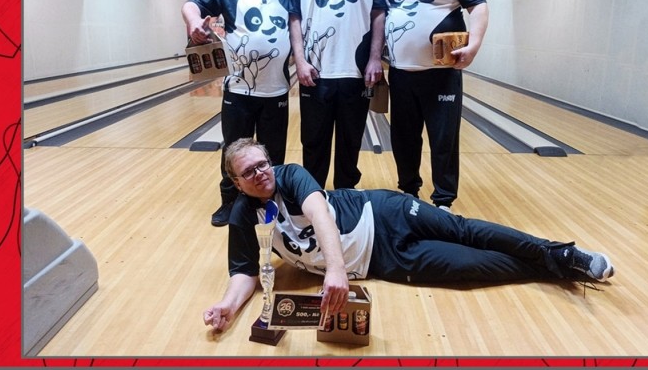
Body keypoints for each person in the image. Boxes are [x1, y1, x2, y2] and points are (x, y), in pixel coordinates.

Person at [202, 138, 615, 333]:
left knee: (463, 230)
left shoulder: (291, 175)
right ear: (236, 183)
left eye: (263, 163)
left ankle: (560, 254)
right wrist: (228, 306)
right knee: (470, 267)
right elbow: (245, 272)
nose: (262, 173)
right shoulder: (243, 215)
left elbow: (320, 214)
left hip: (383, 212)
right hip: (382, 261)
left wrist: (335, 270)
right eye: (249, 172)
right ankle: (551, 270)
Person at [381, 0, 490, 212]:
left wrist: (474, 45)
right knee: (404, 139)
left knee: (443, 140)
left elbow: (478, 6)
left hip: (441, 75)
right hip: (401, 74)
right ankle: (408, 191)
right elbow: (379, 15)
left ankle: (443, 201)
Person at [182, 0, 293, 227]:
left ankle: (271, 203)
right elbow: (192, 4)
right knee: (234, 151)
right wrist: (194, 22)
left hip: (277, 91)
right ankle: (230, 202)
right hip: (239, 91)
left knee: (273, 155)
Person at [288, 0, 386, 190]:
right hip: (315, 74)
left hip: (356, 73)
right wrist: (300, 61)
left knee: (350, 143)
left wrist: (375, 58)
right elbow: (295, 16)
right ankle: (313, 199)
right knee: (313, 143)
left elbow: (378, 12)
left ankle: (345, 197)